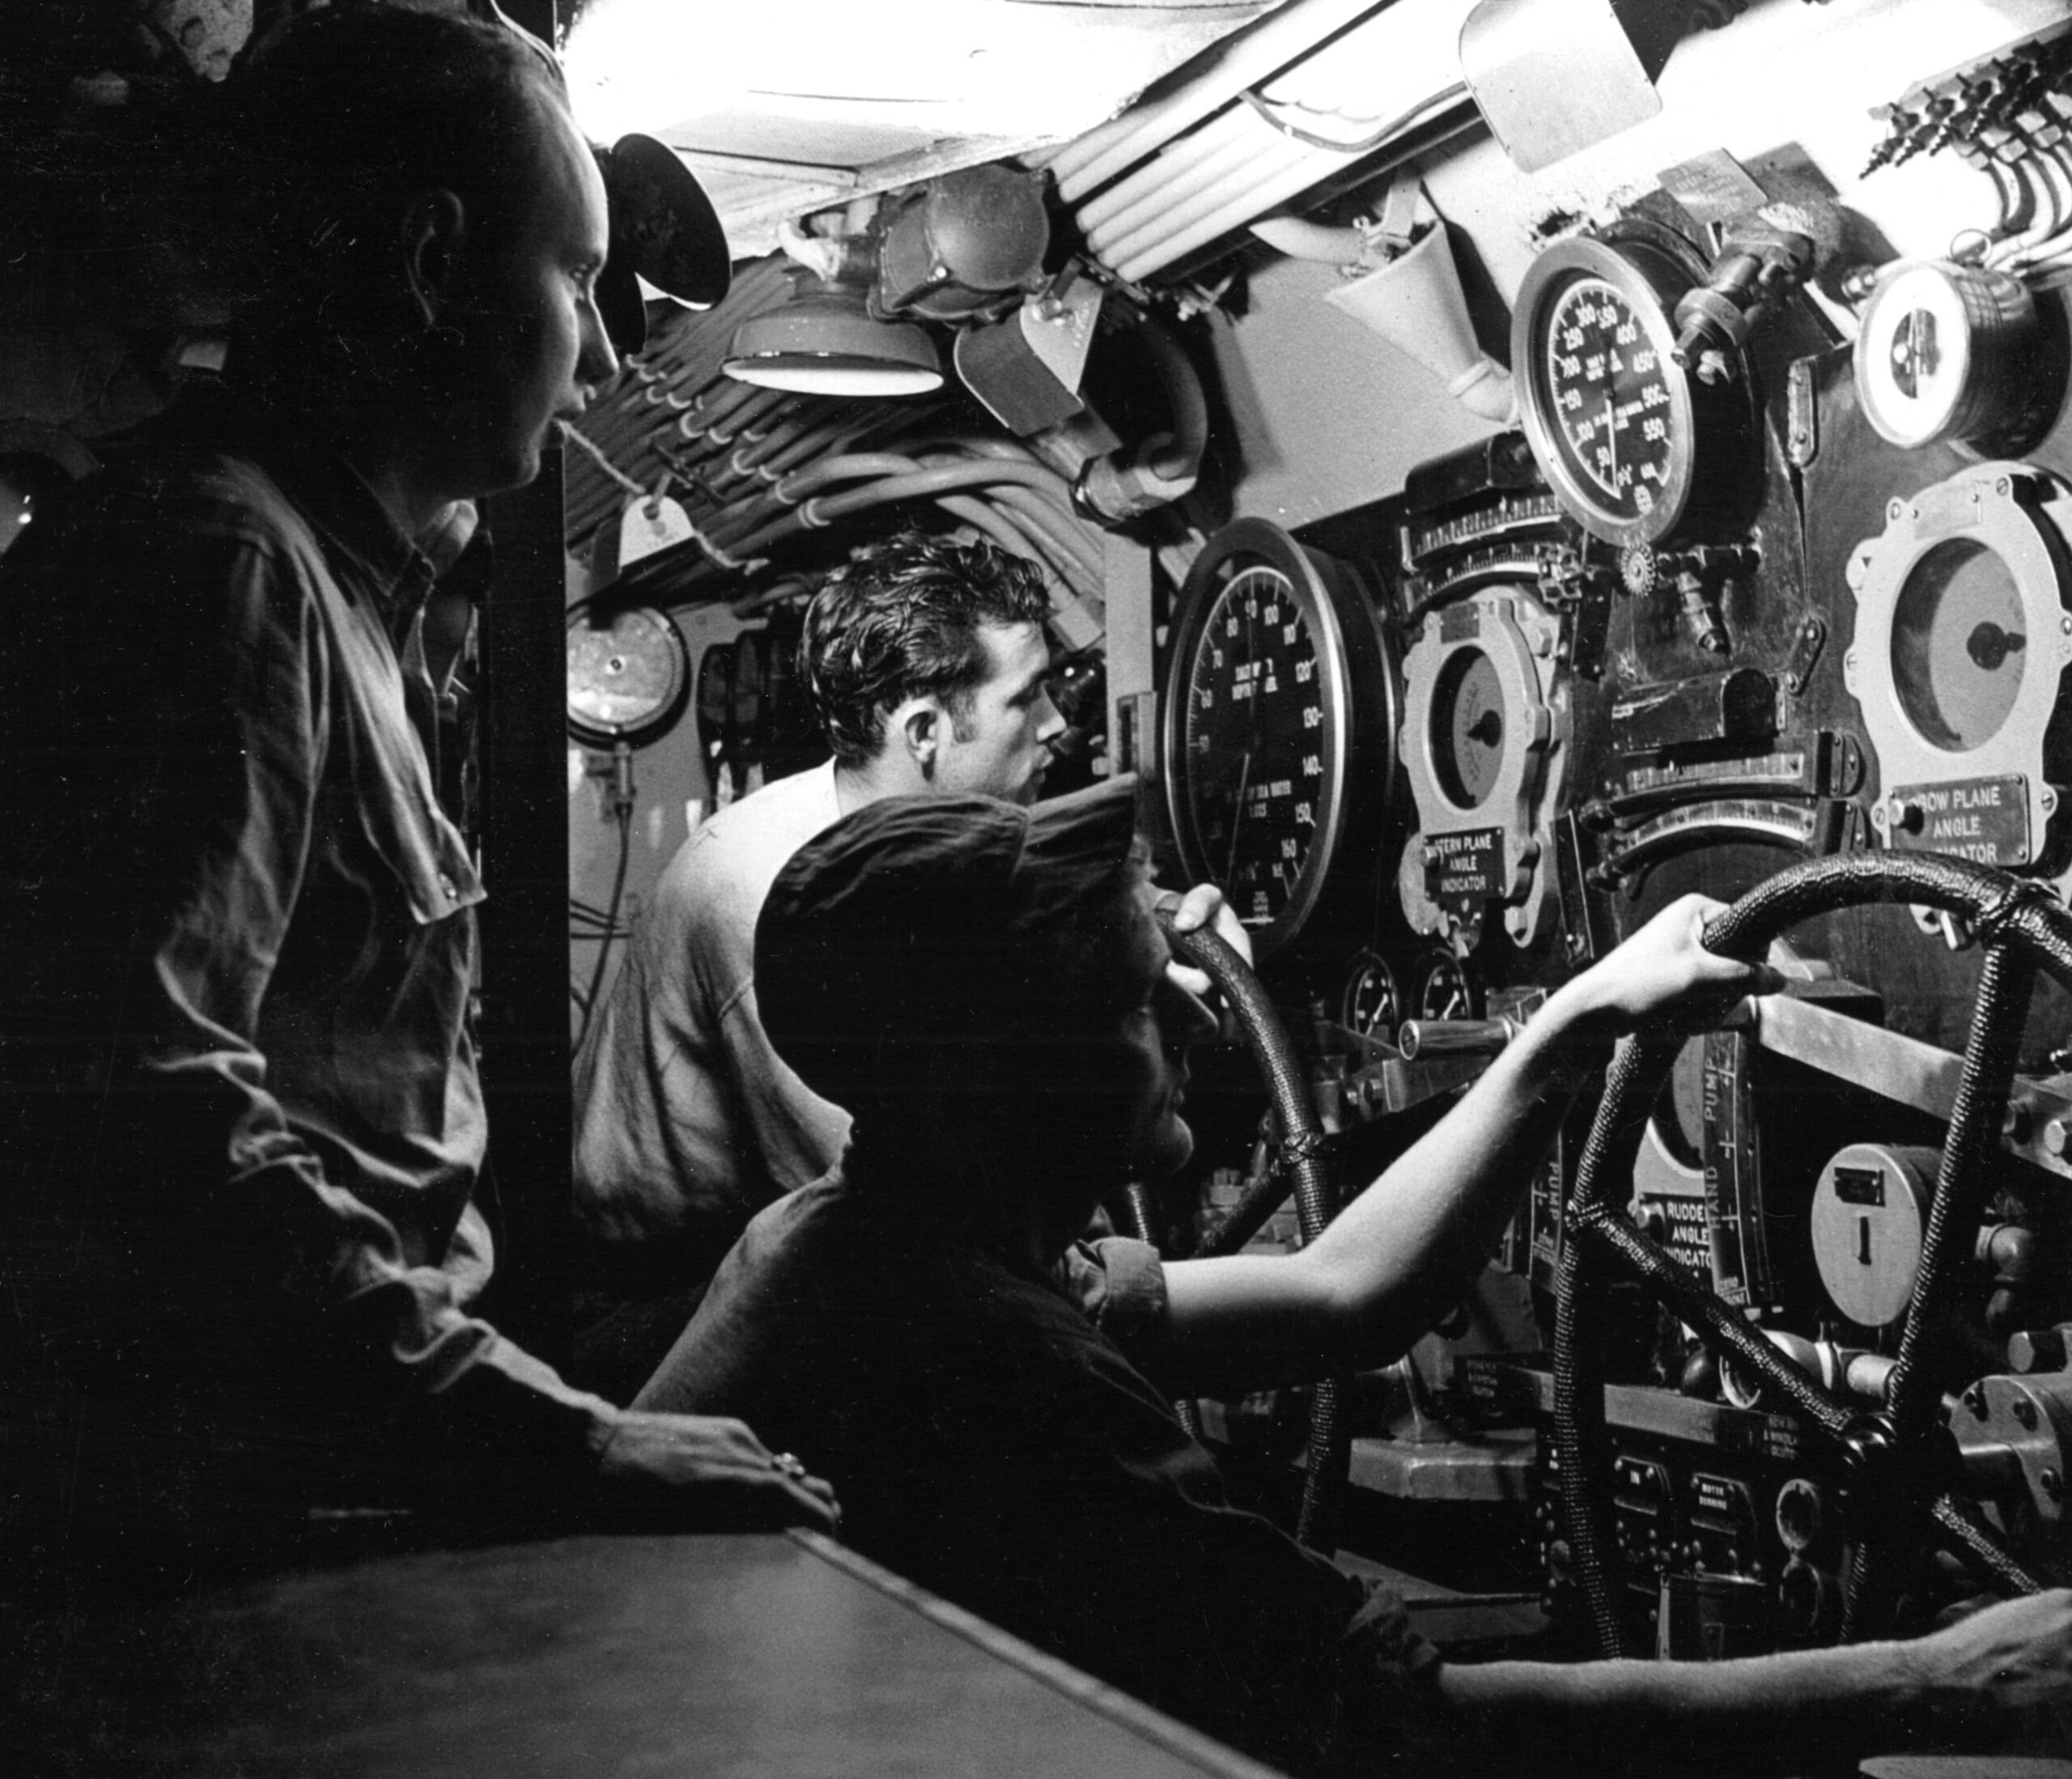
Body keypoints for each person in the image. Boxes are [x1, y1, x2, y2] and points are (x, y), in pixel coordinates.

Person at [636, 778, 2072, 1777]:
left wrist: (1570, 1021)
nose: (1185, 1033)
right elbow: (1406, 1731)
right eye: (1135, 1003)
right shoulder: (989, 1355)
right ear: (1011, 1075)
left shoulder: (883, 1229)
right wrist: (1935, 1678)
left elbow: (1340, 1292)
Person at [0, 2, 832, 1593]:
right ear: (433, 263)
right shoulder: (214, 571)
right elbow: (129, 1096)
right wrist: (551, 1436)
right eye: (576, 279)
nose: (597, 352)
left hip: (338, 1489)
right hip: (224, 1538)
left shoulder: (367, 599)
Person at [568, 529, 1069, 1399]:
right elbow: (901, 1204)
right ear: (923, 731)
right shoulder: (770, 895)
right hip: (648, 1315)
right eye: (1030, 698)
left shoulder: (911, 850)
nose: (1059, 722)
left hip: (774, 1265)